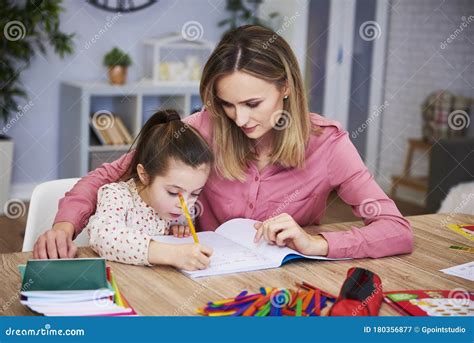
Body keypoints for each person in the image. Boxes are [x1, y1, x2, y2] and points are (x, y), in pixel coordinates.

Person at [33, 25, 413, 260]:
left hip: (282, 290)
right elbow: (111, 174)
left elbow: (396, 231)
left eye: (252, 104)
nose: (240, 119)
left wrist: (319, 245)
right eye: (227, 104)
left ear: (285, 88)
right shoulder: (203, 127)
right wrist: (64, 228)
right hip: (198, 278)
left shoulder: (328, 145)